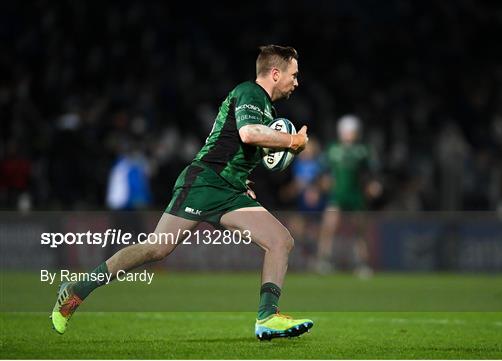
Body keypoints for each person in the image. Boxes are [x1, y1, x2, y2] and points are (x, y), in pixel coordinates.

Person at [51, 45, 313, 340]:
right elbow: (248, 134)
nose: (297, 81)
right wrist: (292, 140)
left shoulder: (265, 107)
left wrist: (242, 181)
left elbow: (230, 145)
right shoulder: (251, 93)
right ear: (275, 74)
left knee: (280, 240)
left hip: (227, 189)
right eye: (294, 74)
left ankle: (267, 317)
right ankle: (77, 290)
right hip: (203, 184)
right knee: (156, 248)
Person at [316, 114, 380, 277]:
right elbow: (323, 170)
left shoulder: (363, 150)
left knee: (360, 230)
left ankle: (362, 263)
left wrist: (373, 185)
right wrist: (322, 183)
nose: (349, 134)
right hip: (337, 195)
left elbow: (371, 172)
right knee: (329, 227)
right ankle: (323, 260)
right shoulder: (333, 149)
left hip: (356, 195)